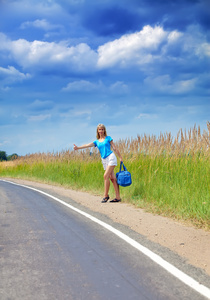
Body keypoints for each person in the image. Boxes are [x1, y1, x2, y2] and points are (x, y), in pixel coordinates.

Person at [74, 124, 123, 203]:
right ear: (97, 131)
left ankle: (106, 196)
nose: (101, 131)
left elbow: (114, 147)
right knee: (112, 178)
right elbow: (87, 145)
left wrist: (120, 157)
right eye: (99, 130)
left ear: (104, 130)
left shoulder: (108, 138)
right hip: (104, 160)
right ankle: (118, 197)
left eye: (102, 129)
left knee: (105, 176)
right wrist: (78, 148)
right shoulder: (96, 141)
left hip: (111, 157)